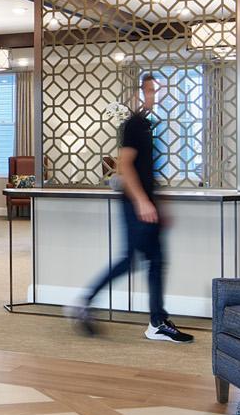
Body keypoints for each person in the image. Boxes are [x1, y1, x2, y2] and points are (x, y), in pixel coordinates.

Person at [71, 73, 193, 343]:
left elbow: (144, 171)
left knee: (155, 262)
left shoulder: (147, 125)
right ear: (137, 94)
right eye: (149, 91)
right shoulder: (135, 124)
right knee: (134, 260)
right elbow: (124, 166)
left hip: (145, 205)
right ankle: (86, 303)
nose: (154, 95)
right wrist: (142, 202)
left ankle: (157, 322)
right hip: (135, 206)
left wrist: (159, 202)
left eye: (156, 91)